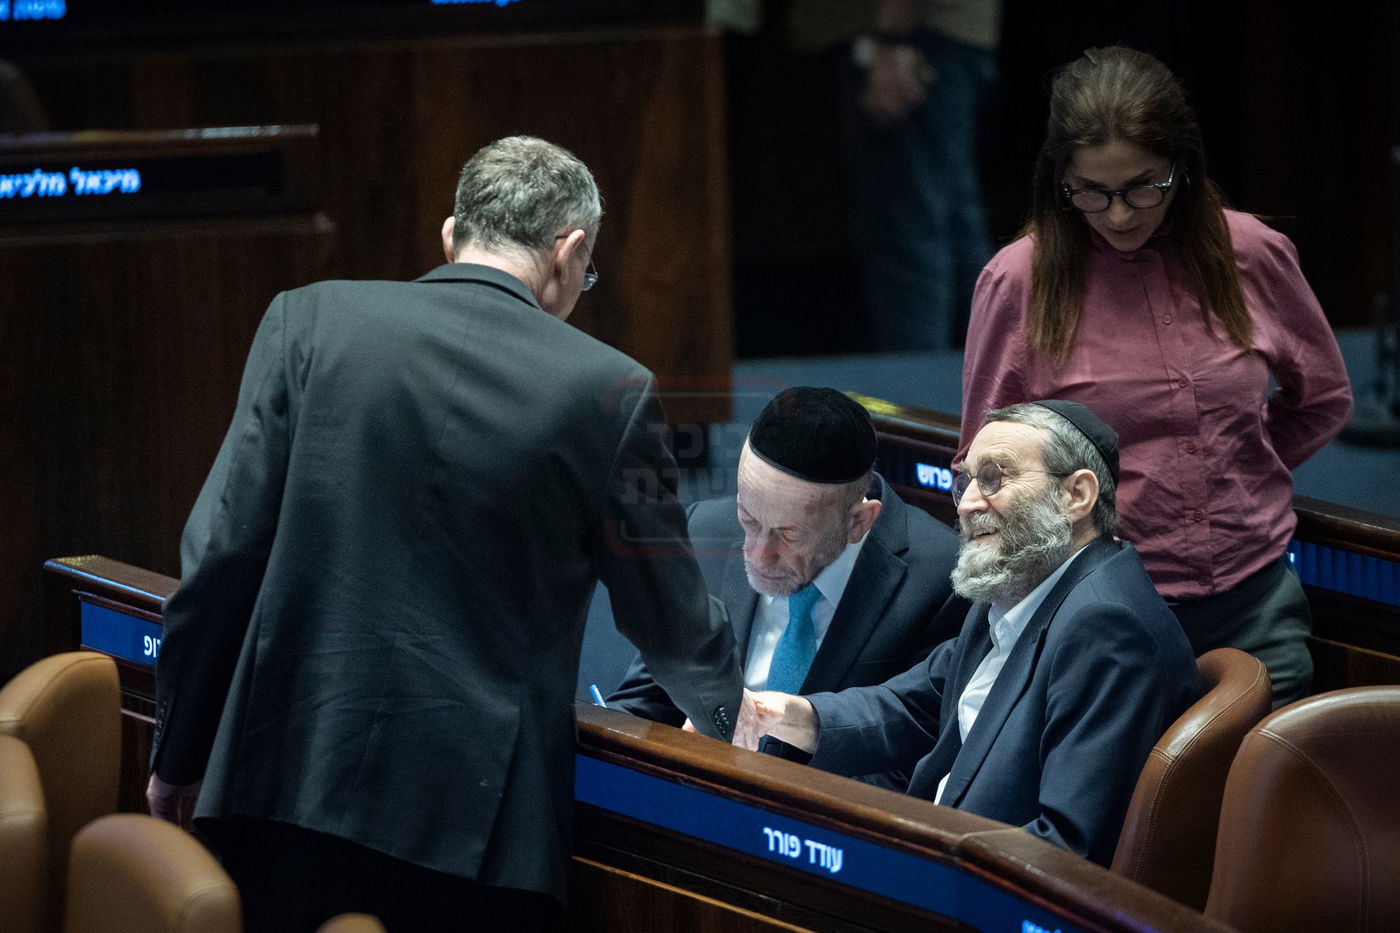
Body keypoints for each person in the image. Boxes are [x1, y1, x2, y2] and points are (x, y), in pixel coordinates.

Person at [144, 136, 745, 932]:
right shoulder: (611, 390)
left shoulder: (307, 321)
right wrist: (733, 723)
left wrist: (180, 749)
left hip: (283, 777)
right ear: (568, 253)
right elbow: (664, 613)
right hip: (478, 831)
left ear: (451, 235)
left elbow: (221, 559)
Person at [961, 46, 1353, 706]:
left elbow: (1322, 397)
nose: (1118, 214)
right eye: (1092, 190)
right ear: (1060, 180)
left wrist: (1236, 463)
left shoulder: (1252, 253)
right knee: (1130, 808)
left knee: (1268, 796)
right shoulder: (1017, 280)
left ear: (1183, 168)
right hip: (1099, 606)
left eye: (1143, 185)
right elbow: (984, 468)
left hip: (1252, 602)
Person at [738, 400, 1200, 867]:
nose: (969, 503)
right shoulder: (1017, 587)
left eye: (995, 479)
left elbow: (1065, 848)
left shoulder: (1107, 629)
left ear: (1076, 495)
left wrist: (906, 870)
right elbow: (917, 704)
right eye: (967, 482)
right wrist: (784, 714)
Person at [607, 386, 968, 789]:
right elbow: (652, 695)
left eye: (789, 535)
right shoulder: (704, 527)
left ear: (858, 522)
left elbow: (913, 760)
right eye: (749, 519)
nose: (758, 556)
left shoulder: (942, 580)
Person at [787, 0, 1001, 350]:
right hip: (935, 32)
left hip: (912, 35)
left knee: (908, 230)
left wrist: (892, 37)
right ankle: (994, 386)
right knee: (949, 222)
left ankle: (916, 397)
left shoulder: (899, 39)